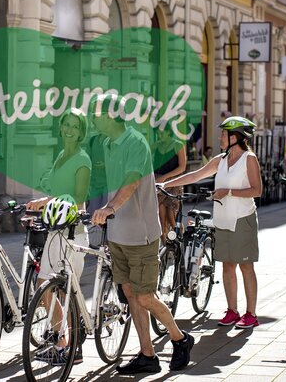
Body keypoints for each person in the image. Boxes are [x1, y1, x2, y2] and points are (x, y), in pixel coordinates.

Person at [89, 94, 194, 373]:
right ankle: (147, 355)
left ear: (111, 116)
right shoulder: (108, 143)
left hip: (141, 234)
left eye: (96, 113)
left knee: (145, 296)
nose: (93, 118)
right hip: (118, 233)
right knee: (130, 293)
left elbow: (132, 183)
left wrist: (110, 207)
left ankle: (180, 339)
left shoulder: (134, 142)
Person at [160, 116, 263, 329]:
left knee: (245, 266)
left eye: (224, 134)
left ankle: (251, 314)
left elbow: (257, 190)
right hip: (223, 219)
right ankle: (232, 311)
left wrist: (229, 192)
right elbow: (195, 176)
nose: (220, 137)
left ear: (236, 137)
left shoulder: (248, 159)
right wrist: (165, 184)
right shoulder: (221, 160)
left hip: (243, 219)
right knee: (227, 266)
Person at [25, 109, 92, 363]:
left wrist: (46, 201)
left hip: (73, 234)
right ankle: (61, 340)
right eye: (66, 124)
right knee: (44, 287)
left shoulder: (82, 159)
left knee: (65, 292)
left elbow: (78, 197)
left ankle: (73, 348)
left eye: (75, 126)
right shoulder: (61, 156)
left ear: (81, 131)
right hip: (55, 231)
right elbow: (56, 191)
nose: (69, 130)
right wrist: (41, 211)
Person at [153, 126, 188, 240]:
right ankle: (164, 244)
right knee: (160, 214)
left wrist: (165, 177)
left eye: (162, 133)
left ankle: (179, 241)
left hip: (174, 182)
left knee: (171, 215)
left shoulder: (178, 144)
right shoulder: (156, 145)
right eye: (158, 134)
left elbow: (182, 167)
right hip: (159, 183)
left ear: (169, 133)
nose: (159, 136)